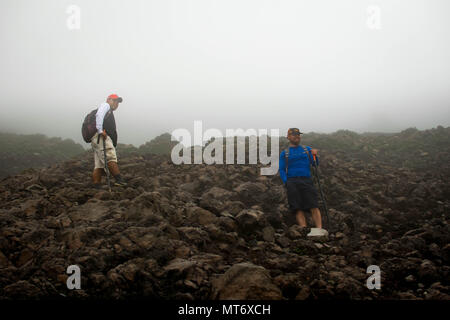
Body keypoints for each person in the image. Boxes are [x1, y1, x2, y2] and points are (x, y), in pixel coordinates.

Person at [279, 128, 323, 229]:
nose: (297, 136)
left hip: (306, 180)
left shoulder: (306, 149)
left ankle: (319, 229)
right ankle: (303, 229)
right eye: (294, 135)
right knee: (297, 207)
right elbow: (281, 170)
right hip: (292, 181)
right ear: (288, 137)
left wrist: (315, 155)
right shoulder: (285, 153)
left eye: (298, 134)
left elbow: (315, 164)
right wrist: (287, 182)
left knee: (313, 205)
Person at [91, 94, 127, 188]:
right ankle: (119, 180)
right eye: (114, 101)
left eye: (118, 102)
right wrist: (100, 131)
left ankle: (96, 186)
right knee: (110, 157)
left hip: (96, 139)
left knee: (98, 164)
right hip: (101, 137)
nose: (116, 103)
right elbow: (99, 115)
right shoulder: (105, 106)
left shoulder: (109, 110)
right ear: (108, 100)